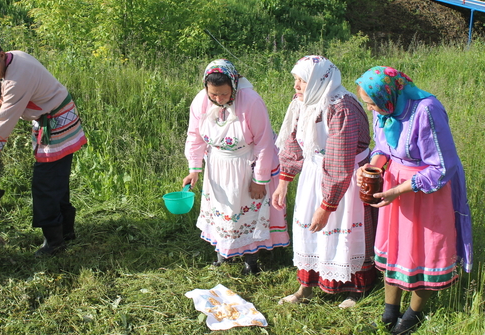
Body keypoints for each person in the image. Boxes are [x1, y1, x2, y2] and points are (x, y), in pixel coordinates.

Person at [355, 66, 473, 335]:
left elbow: (443, 166)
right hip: (394, 184)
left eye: (372, 103)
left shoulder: (427, 110)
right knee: (393, 247)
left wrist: (398, 190)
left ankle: (412, 315)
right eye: (368, 104)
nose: (372, 109)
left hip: (426, 191)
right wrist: (372, 167)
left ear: (387, 93)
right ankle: (389, 312)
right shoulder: (385, 108)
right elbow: (383, 147)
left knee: (422, 251)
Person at [0, 38, 87, 256]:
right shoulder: (13, 61)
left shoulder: (17, 80)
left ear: (2, 55)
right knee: (57, 181)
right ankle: (66, 232)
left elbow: (3, 123)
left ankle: (54, 242)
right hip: (59, 119)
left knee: (45, 184)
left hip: (56, 125)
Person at [272, 55, 377, 309]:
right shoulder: (303, 102)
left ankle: (356, 288)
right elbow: (293, 142)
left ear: (320, 80)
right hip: (314, 173)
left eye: (303, 80)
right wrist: (284, 182)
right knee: (310, 230)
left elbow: (340, 162)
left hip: (345, 180)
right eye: (296, 79)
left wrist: (327, 204)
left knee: (344, 231)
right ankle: (306, 287)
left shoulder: (342, 108)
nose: (296, 85)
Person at [183, 59, 289, 275]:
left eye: (223, 94)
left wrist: (260, 180)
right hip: (216, 165)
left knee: (246, 211)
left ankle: (251, 262)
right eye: (213, 94)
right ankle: (222, 255)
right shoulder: (201, 101)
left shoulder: (251, 101)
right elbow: (194, 136)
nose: (219, 99)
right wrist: (194, 169)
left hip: (244, 166)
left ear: (234, 84)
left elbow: (264, 142)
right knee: (221, 211)